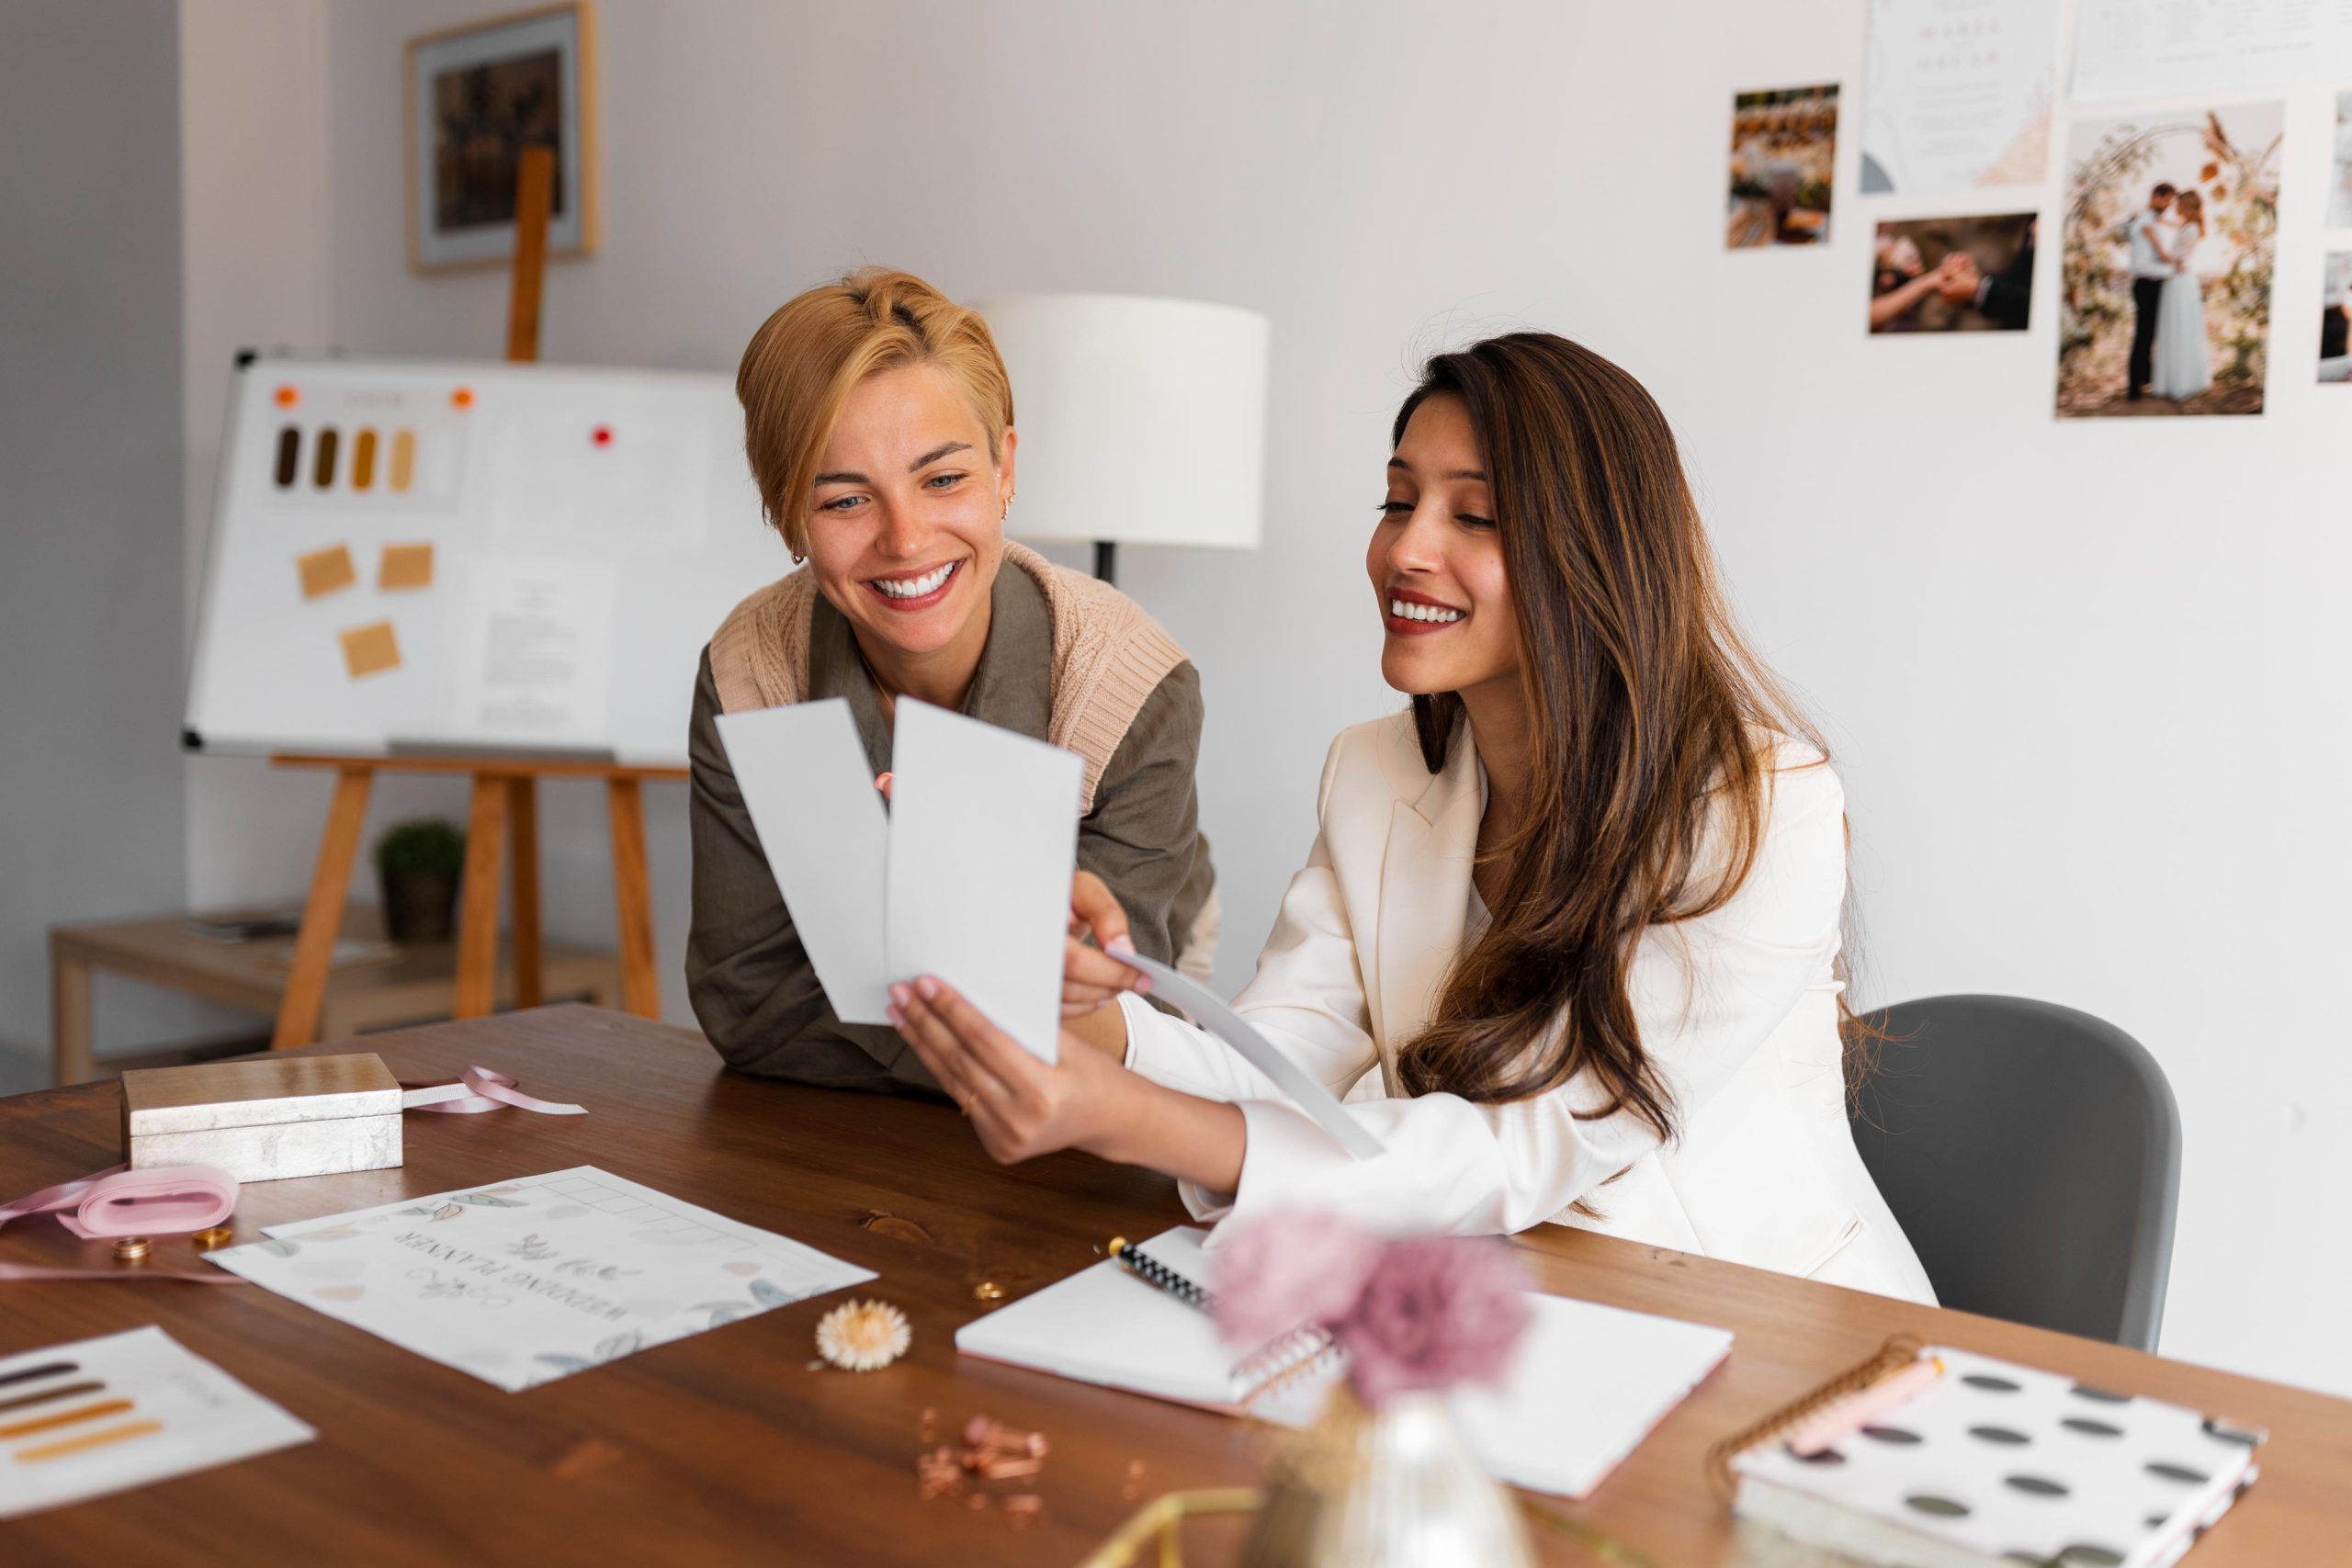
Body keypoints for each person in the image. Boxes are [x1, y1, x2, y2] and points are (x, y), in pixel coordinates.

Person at [889, 332, 1937, 1304]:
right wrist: (1087, 1012)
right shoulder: (1371, 772)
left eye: (1472, 517)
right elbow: (1278, 1063)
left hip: (1761, 1328)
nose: (1405, 551)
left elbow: (1526, 1147)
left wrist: (1128, 1120)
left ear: (1598, 554)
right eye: (1397, 503)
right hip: (1487, 1305)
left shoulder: (1762, 809)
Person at [686, 267, 1217, 1091]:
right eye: (844, 501)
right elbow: (748, 1009)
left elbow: (1100, 1037)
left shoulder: (1132, 688)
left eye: (942, 479)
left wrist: (878, 973)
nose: (905, 539)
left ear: (1005, 469)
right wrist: (980, 1008)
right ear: (788, 514)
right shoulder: (749, 670)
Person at [2148, 191, 2211, 402]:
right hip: (2178, 282)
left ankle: (2180, 382)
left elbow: (2176, 260)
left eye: (2179, 205)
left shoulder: (2190, 229)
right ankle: (2176, 379)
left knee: (2180, 329)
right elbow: (2178, 228)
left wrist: (2154, 241)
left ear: (2187, 206)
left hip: (2179, 282)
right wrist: (2162, 222)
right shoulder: (2188, 226)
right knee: (2177, 328)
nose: (2176, 208)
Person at [2126, 184, 2177, 401]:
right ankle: (2133, 387)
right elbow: (2142, 266)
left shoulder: (2151, 221)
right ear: (2157, 196)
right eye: (2167, 201)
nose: (2168, 206)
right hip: (2146, 284)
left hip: (2153, 284)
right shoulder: (2145, 223)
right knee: (2143, 336)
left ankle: (2144, 376)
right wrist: (2172, 269)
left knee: (2151, 334)